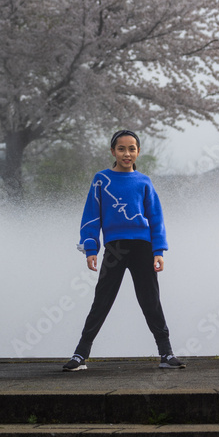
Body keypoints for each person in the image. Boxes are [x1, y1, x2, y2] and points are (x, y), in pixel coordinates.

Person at [62, 130, 185, 371]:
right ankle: (80, 355)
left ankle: (166, 354)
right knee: (102, 300)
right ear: (112, 152)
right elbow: (91, 216)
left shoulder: (144, 182)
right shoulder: (101, 180)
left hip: (143, 247)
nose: (126, 153)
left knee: (150, 300)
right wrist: (90, 248)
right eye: (121, 149)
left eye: (132, 149)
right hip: (115, 248)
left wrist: (159, 250)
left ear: (138, 152)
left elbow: (156, 218)